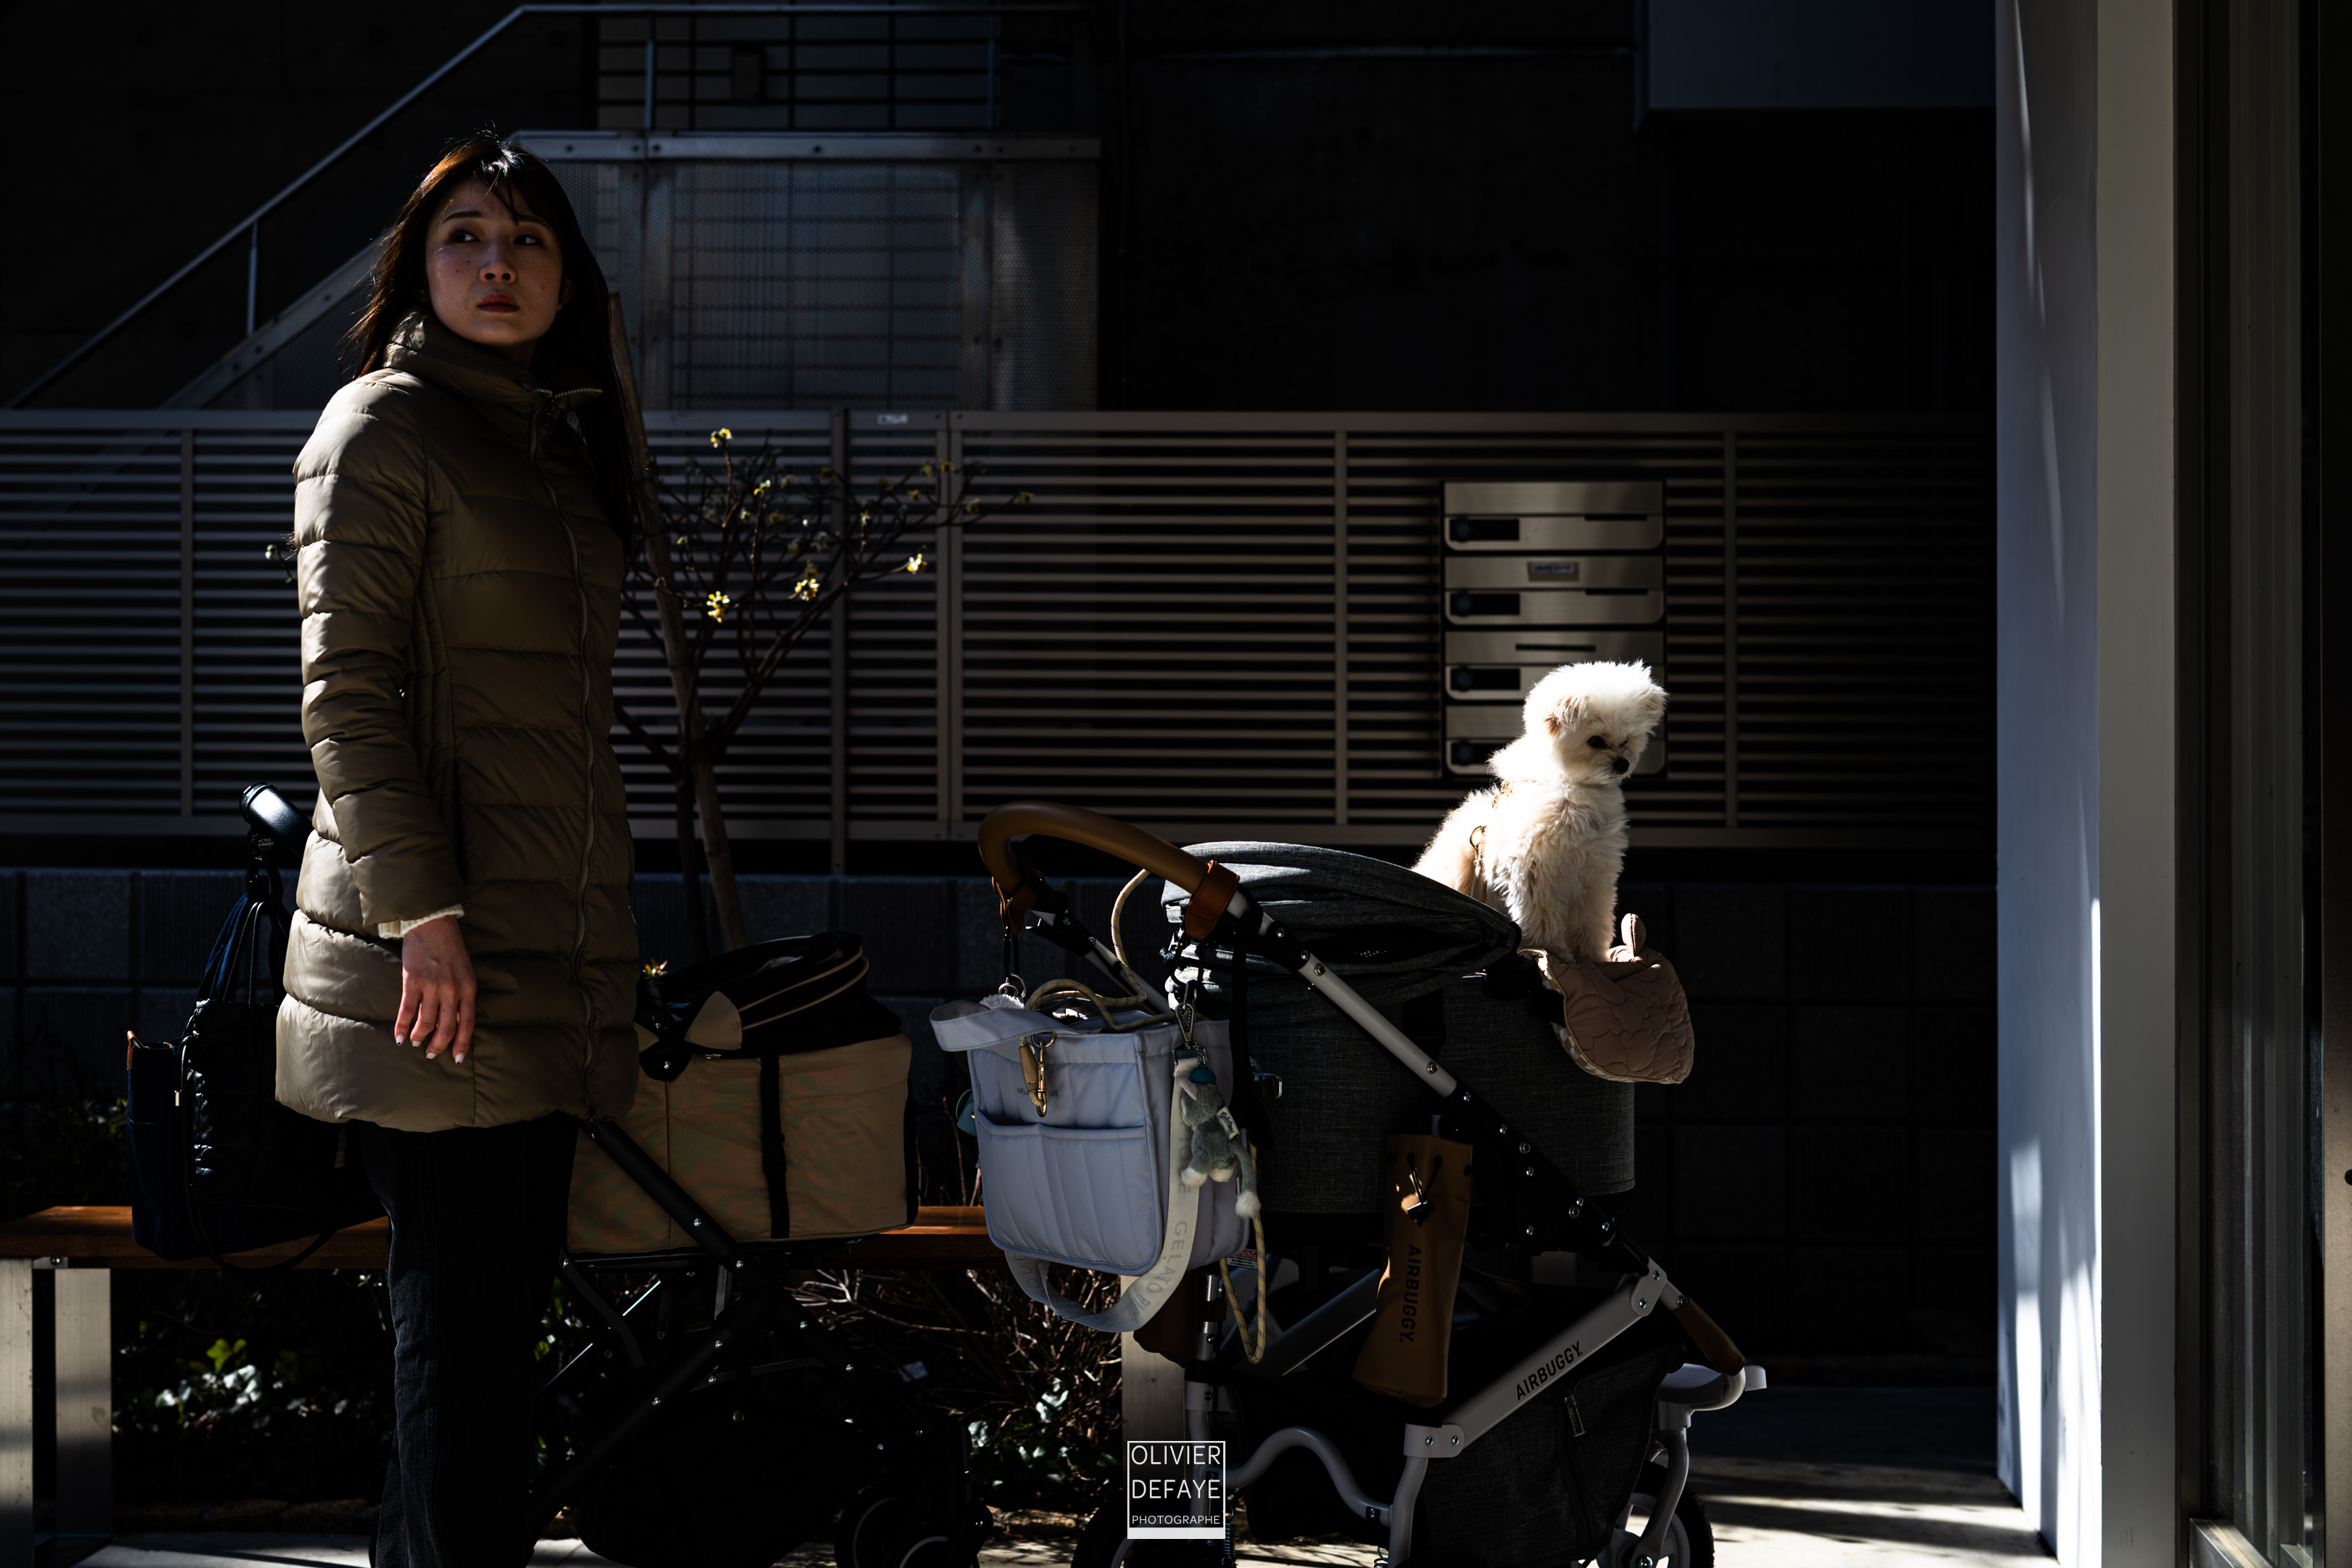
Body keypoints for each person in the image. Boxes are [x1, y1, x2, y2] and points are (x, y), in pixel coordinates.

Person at [274, 133, 642, 1567]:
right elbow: (346, 700)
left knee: (480, 1351)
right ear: (418, 267)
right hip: (434, 969)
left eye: (528, 238)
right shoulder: (382, 426)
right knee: (465, 1357)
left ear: (570, 276)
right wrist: (423, 917)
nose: (499, 264)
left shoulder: (547, 442)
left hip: (538, 955)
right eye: (467, 237)